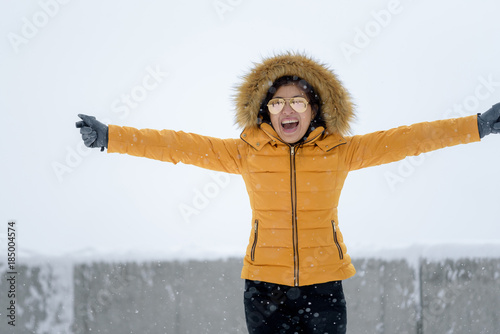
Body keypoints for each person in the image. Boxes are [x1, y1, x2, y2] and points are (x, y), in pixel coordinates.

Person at [76, 53, 500, 334]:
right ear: (265, 111)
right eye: (277, 103)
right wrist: (111, 136)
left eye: (297, 101)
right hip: (264, 289)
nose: (287, 110)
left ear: (315, 108)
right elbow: (176, 145)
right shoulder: (247, 153)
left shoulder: (340, 152)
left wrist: (476, 125)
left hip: (323, 286)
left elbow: (409, 139)